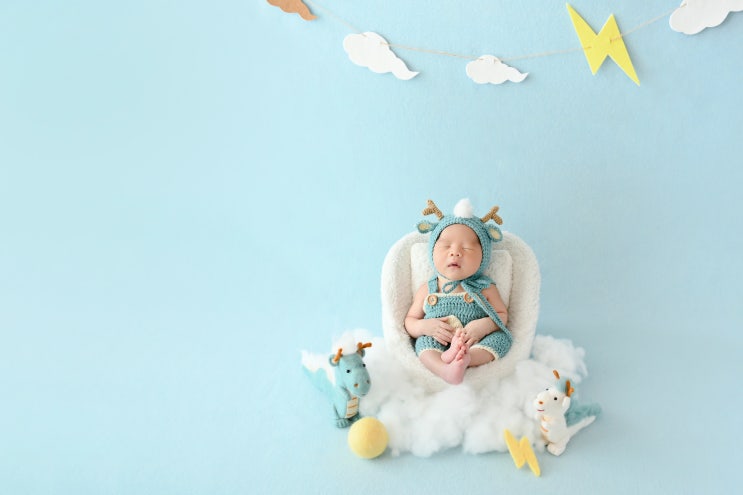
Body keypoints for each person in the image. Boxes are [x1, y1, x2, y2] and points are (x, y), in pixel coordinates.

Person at [404, 199, 512, 385]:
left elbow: (502, 315)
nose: (455, 253)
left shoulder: (485, 286)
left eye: (467, 248)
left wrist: (484, 326)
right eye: (446, 246)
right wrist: (425, 327)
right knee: (423, 343)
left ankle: (466, 358)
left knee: (500, 340)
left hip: (474, 341)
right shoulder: (428, 289)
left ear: (483, 256)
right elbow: (410, 320)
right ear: (432, 251)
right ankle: (444, 368)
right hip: (439, 338)